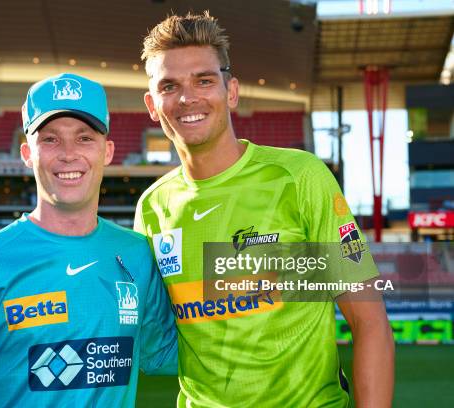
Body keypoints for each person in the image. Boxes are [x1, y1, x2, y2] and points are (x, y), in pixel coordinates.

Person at [134, 12, 394, 408]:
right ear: (153, 105)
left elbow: (369, 322)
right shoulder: (152, 207)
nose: (188, 98)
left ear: (231, 91)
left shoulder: (298, 177)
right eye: (170, 86)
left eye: (204, 80)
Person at [0, 73, 177, 407]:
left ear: (107, 151)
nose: (68, 154)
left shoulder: (135, 253)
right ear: (27, 153)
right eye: (50, 139)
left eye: (84, 138)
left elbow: (163, 353)